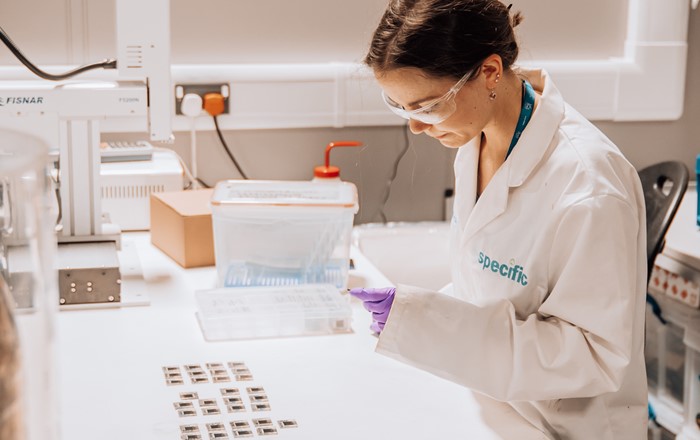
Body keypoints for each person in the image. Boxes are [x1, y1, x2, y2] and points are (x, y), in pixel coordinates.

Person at [349, 1, 648, 438]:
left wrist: (429, 327)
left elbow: (593, 355)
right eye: (400, 108)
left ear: (489, 72)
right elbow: (489, 292)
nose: (415, 127)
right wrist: (419, 318)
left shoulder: (588, 186)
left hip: (560, 426)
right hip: (492, 402)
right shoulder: (477, 140)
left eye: (427, 106)